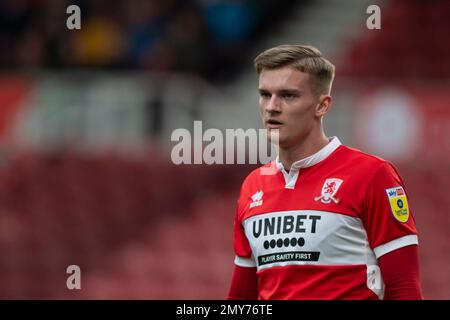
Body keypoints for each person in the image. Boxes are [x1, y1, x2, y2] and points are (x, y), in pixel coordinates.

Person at [227, 44, 422, 300]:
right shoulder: (253, 186)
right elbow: (241, 299)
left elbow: (404, 288)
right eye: (265, 94)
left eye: (288, 95)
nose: (271, 107)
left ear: (322, 106)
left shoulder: (373, 175)